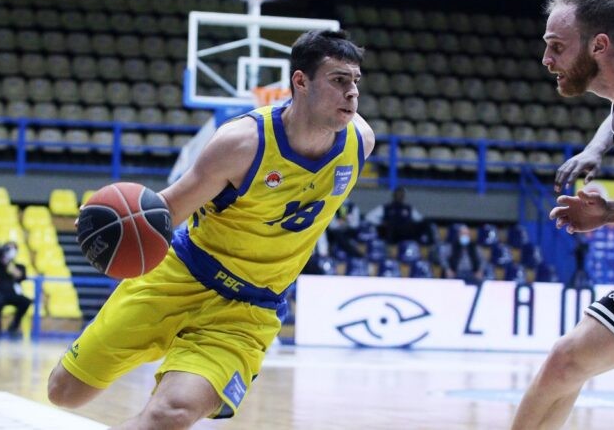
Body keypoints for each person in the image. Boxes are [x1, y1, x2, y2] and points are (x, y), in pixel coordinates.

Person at [47, 29, 374, 428]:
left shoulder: (360, 142)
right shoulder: (242, 144)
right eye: (339, 80)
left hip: (248, 310)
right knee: (64, 391)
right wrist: (104, 220)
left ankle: (190, 361)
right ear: (300, 81)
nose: (351, 92)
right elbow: (169, 208)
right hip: (180, 276)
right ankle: (161, 339)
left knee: (171, 412)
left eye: (355, 81)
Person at [513, 0, 614, 429]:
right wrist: (608, 211)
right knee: (565, 363)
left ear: (599, 45)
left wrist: (612, 210)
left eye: (557, 46)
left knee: (567, 361)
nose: (546, 59)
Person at [0, 241, 31, 339]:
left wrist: (8, 263)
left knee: (26, 302)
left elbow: (18, 275)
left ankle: (14, 325)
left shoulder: (19, 266)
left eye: (12, 249)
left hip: (13, 293)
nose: (10, 251)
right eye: (7, 248)